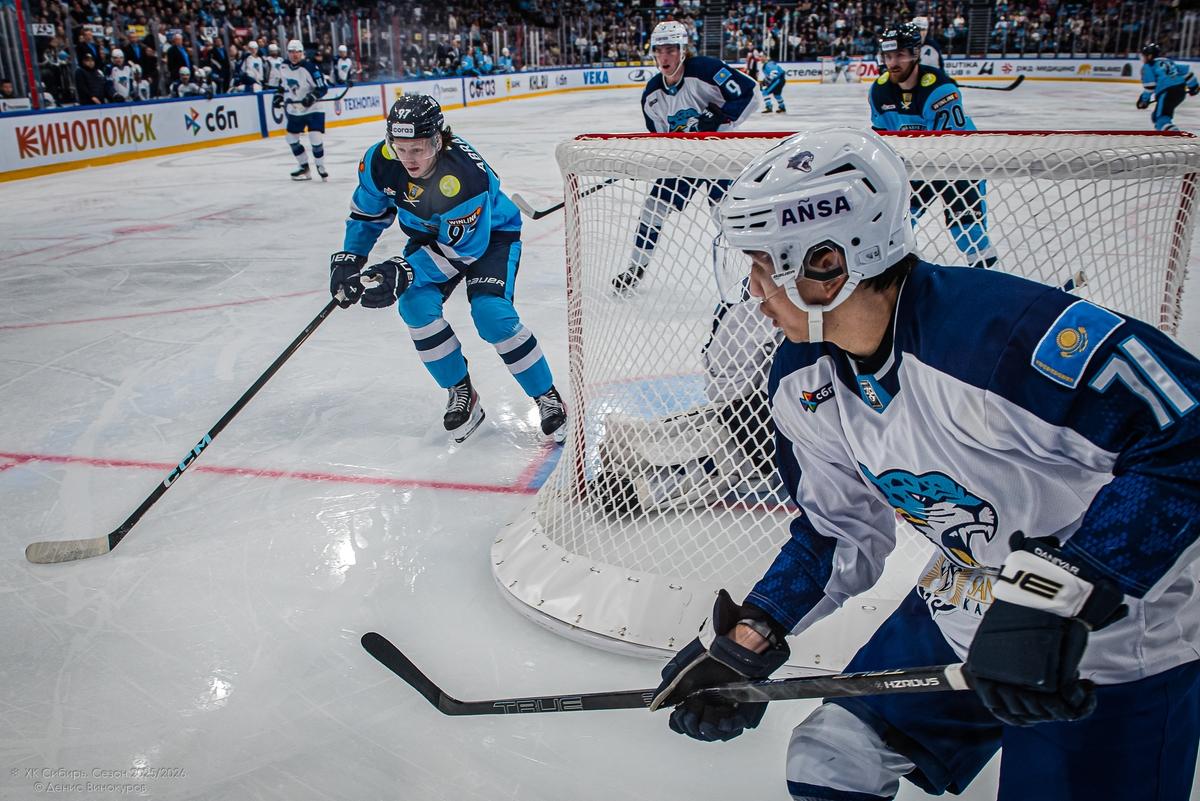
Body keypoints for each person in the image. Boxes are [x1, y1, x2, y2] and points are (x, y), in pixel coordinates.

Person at [651, 126, 1200, 801]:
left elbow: (1188, 436)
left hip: (1112, 639)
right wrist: (751, 636)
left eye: (766, 265)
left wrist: (1059, 594)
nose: (754, 290)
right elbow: (836, 531)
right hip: (968, 602)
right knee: (830, 759)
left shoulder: (1002, 335)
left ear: (827, 264)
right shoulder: (802, 375)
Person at [328, 95, 567, 444]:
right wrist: (350, 257)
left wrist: (404, 270)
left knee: (492, 315)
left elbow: (463, 251)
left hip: (490, 236)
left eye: (419, 149)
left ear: (438, 140)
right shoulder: (380, 162)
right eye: (401, 148)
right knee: (414, 307)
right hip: (431, 237)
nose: (409, 159)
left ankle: (546, 394)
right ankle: (461, 391)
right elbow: (368, 213)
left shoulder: (463, 177)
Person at [612, 19, 759, 295]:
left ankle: (756, 273)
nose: (664, 57)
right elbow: (662, 139)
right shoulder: (652, 95)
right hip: (684, 161)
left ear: (683, 50)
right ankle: (636, 268)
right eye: (659, 50)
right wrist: (662, 156)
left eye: (670, 50)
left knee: (724, 217)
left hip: (717, 156)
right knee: (652, 209)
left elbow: (751, 94)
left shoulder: (706, 70)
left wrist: (719, 118)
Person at [870, 22, 997, 269]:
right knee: (900, 220)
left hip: (958, 162)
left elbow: (947, 145)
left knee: (966, 228)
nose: (893, 62)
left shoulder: (940, 89)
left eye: (900, 54)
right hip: (918, 162)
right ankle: (893, 272)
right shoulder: (879, 91)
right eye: (888, 55)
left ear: (916, 53)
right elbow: (882, 136)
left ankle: (985, 273)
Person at [272, 39, 328, 181]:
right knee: (291, 138)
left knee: (315, 138)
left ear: (302, 53)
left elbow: (323, 88)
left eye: (297, 52)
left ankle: (320, 166)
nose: (294, 55)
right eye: (291, 52)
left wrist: (311, 96)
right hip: (295, 109)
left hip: (313, 109)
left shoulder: (310, 68)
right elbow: (282, 86)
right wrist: (278, 96)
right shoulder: (283, 66)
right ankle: (304, 167)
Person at [1137, 42, 1199, 132]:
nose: (1143, 59)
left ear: (1150, 56)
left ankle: (1175, 136)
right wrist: (1194, 86)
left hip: (1167, 92)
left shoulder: (1148, 66)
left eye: (1144, 56)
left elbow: (1150, 87)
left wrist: (1143, 100)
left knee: (1161, 120)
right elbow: (1187, 72)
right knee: (1156, 116)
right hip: (1180, 91)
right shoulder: (1168, 61)